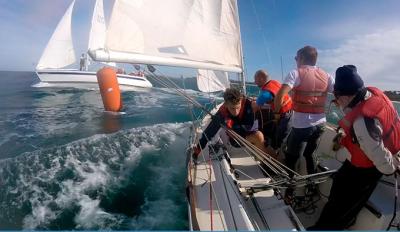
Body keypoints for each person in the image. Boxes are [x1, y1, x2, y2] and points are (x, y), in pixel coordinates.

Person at [310, 65, 400, 230]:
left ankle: (327, 227)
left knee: (343, 204)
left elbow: (383, 164)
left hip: (369, 169)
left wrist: (392, 166)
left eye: (337, 99)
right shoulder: (373, 93)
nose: (337, 104)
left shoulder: (362, 122)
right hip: (361, 160)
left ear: (342, 97)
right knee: (339, 184)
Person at [274, 45, 334, 175]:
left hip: (302, 125)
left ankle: (289, 188)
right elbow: (338, 94)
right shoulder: (327, 75)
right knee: (309, 153)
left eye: (296, 58)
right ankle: (311, 183)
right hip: (321, 124)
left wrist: (277, 113)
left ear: (301, 58)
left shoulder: (295, 73)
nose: (296, 60)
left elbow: (280, 95)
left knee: (291, 156)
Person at [193, 88, 269, 158]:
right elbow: (209, 132)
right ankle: (264, 164)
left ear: (241, 101)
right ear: (226, 104)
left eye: (238, 107)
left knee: (270, 150)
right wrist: (197, 150)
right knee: (259, 136)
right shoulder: (222, 113)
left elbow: (250, 126)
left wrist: (233, 125)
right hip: (236, 140)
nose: (236, 112)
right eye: (232, 108)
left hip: (248, 132)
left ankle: (262, 155)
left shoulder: (248, 105)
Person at [252, 69, 292, 151]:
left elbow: (255, 107)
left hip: (284, 116)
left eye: (255, 79)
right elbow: (274, 96)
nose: (254, 82)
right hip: (291, 112)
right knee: (279, 135)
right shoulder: (274, 82)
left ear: (262, 79)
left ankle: (275, 155)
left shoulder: (265, 93)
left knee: (280, 140)